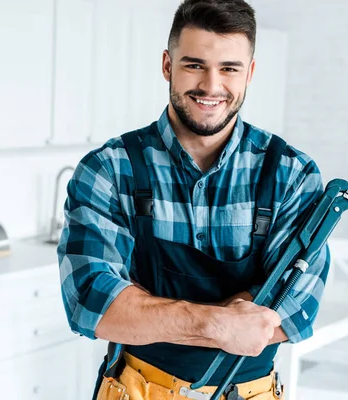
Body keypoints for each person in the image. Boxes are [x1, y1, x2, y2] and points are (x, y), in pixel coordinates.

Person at [57, 0, 330, 399]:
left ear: (250, 73)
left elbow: (295, 311)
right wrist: (219, 323)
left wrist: (145, 309)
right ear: (167, 65)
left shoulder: (292, 175)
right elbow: (92, 302)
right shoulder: (109, 170)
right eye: (194, 64)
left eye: (229, 69)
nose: (211, 85)